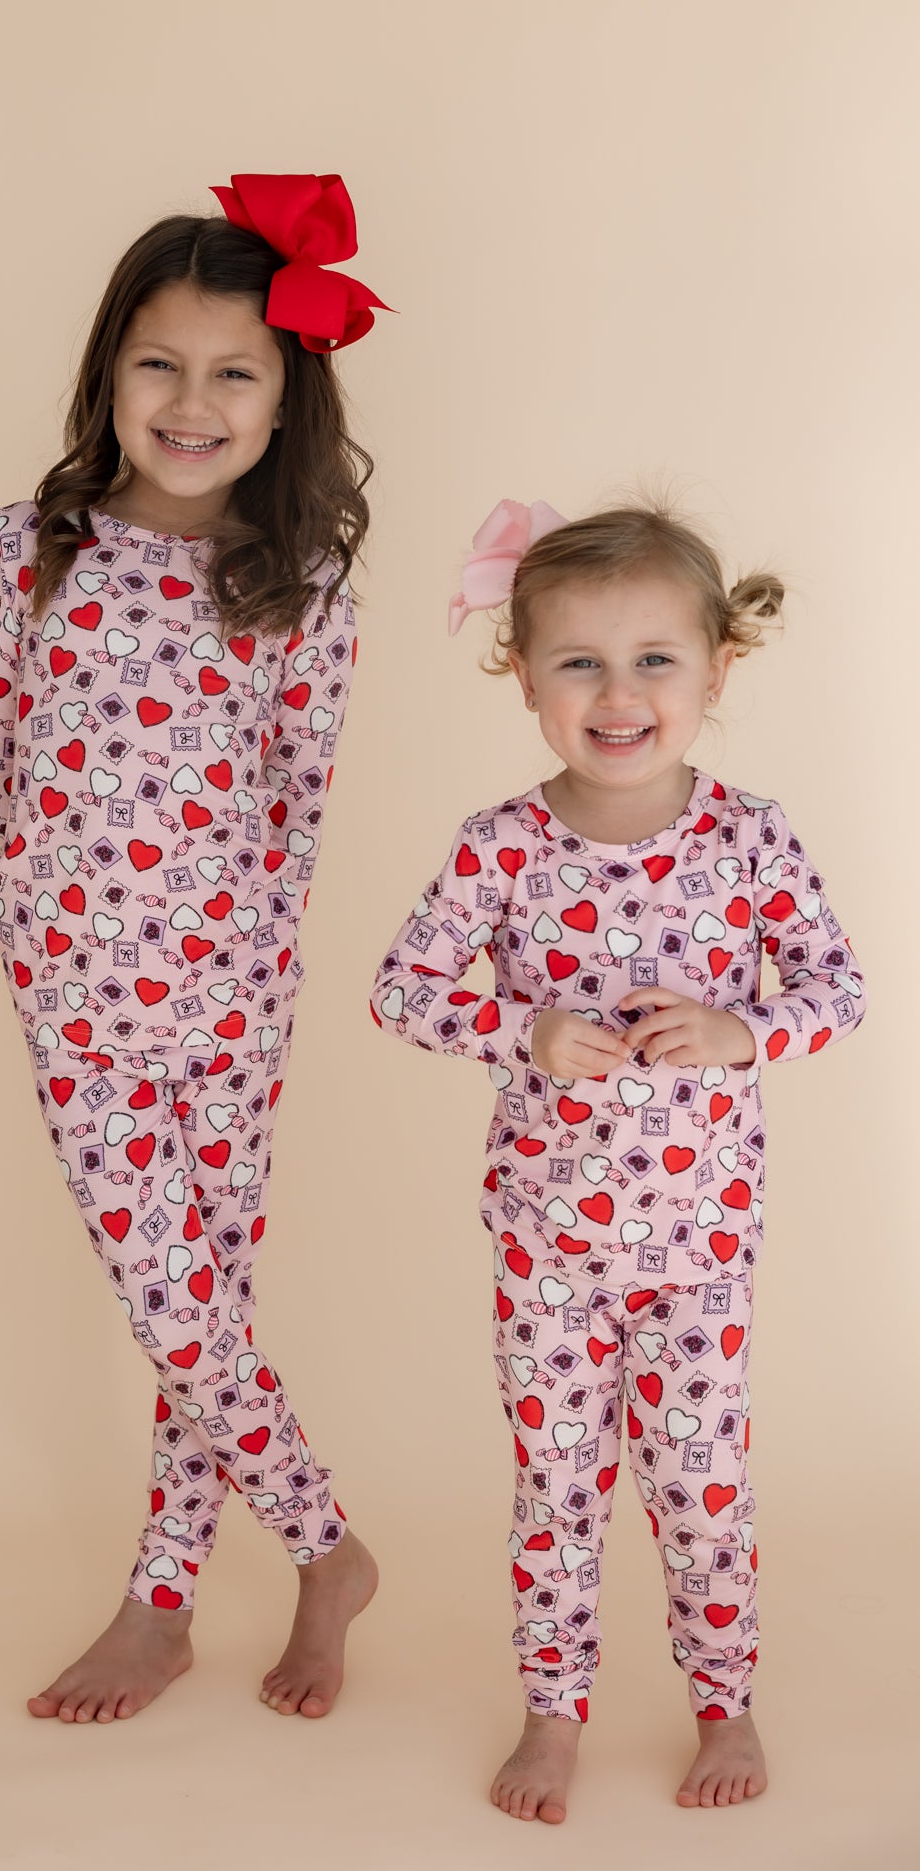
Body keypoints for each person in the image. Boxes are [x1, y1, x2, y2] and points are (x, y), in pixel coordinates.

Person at [370, 495, 865, 1820]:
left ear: (716, 669)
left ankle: (724, 1704)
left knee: (701, 1488)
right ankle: (551, 1715)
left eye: (654, 658)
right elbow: (401, 990)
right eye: (579, 661)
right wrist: (520, 1029)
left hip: (699, 1251)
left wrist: (739, 1031)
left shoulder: (751, 838)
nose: (618, 693)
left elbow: (838, 989)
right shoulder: (500, 847)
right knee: (554, 1491)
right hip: (547, 1251)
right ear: (523, 675)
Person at [0, 175, 386, 1725]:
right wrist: (34, 925)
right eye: (159, 364)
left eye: (233, 373)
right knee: (168, 1295)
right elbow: (0, 751)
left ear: (284, 401)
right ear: (109, 373)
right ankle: (326, 1544)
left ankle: (161, 1602)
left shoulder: (297, 584)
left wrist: (244, 980)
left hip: (227, 999)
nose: (192, 404)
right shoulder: (29, 549)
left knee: (198, 1301)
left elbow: (295, 805)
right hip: (72, 995)